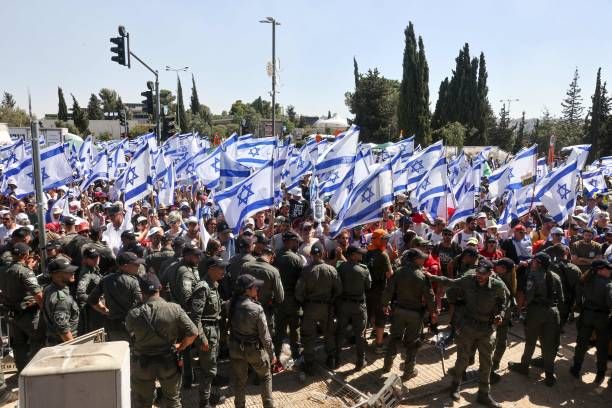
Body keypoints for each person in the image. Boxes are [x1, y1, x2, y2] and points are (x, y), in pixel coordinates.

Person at [427, 259, 507, 408]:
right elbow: (450, 282)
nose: (479, 276)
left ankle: (483, 394)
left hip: (487, 329)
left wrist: (500, 314)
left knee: (486, 363)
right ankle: (455, 385)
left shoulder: (498, 285)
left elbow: (504, 302)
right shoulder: (469, 280)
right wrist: (432, 277)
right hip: (468, 326)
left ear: (490, 273)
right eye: (478, 272)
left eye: (483, 274)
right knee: (462, 359)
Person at [126, 273, 198, 408]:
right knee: (173, 401)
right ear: (160, 287)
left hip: (143, 363)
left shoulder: (134, 313)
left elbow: (129, 333)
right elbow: (193, 332)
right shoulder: (174, 308)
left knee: (142, 402)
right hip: (168, 361)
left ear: (141, 291)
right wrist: (181, 346)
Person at [509, 252, 564, 386]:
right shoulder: (556, 276)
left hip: (536, 312)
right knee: (549, 344)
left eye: (533, 261)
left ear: (538, 263)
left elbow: (529, 296)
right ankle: (549, 374)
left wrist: (522, 310)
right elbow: (561, 298)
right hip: (553, 312)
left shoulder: (533, 276)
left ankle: (524, 366)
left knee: (531, 341)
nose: (531, 263)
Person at [382, 249, 436, 380]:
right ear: (415, 259)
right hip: (415, 314)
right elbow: (430, 296)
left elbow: (389, 289)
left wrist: (384, 304)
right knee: (413, 343)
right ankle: (408, 372)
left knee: (394, 339)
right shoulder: (422, 276)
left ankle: (387, 366)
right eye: (422, 258)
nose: (424, 260)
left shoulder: (399, 271)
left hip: (399, 311)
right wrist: (433, 312)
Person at [229, 274, 275, 408]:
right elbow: (265, 337)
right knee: (265, 376)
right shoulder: (257, 309)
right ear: (247, 290)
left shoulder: (230, 304)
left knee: (240, 381)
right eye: (255, 287)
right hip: (254, 350)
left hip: (236, 348)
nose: (257, 289)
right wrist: (272, 355)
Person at [295, 242, 342, 372]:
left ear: (311, 255)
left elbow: (298, 292)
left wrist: (304, 303)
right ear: (323, 254)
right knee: (329, 333)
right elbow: (339, 290)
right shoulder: (331, 270)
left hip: (310, 307)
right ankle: (331, 359)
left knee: (309, 335)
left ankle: (310, 364)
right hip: (327, 307)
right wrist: (331, 300)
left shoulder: (306, 271)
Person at [0, 243, 44, 371]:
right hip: (29, 315)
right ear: (25, 255)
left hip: (11, 315)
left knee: (19, 345)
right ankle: (36, 371)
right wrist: (46, 311)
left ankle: (22, 372)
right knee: (38, 341)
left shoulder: (3, 270)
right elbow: (38, 295)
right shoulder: (24, 272)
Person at [191, 257, 227, 407]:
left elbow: (215, 306)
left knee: (211, 365)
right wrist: (202, 339)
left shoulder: (214, 285)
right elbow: (195, 317)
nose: (224, 271)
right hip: (207, 332)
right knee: (208, 370)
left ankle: (209, 394)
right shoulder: (203, 287)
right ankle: (204, 402)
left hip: (213, 329)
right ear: (211, 269)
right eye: (221, 268)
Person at [570, 259, 611, 384]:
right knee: (602, 347)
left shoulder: (584, 281)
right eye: (607, 269)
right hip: (602, 318)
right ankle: (600, 374)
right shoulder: (608, 284)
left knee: (581, 344)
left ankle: (576, 368)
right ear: (599, 270)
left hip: (586, 315)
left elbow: (578, 299)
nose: (609, 271)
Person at [87, 251, 143, 341]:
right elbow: (141, 302)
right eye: (136, 264)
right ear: (125, 266)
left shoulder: (106, 279)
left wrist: (105, 311)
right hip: (132, 326)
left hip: (113, 326)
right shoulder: (133, 282)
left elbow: (92, 300)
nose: (139, 266)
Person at [335, 245, 371, 370]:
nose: (361, 255)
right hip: (358, 305)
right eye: (359, 253)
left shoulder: (341, 267)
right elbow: (368, 286)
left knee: (340, 332)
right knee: (359, 334)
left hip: (344, 305)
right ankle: (360, 361)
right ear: (352, 255)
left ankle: (337, 359)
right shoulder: (363, 269)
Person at [240, 245, 284, 340]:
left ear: (261, 253)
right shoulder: (273, 271)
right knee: (264, 340)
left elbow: (239, 287)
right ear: (272, 256)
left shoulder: (246, 266)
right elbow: (280, 297)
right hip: (264, 311)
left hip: (245, 310)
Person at [272, 230, 303, 360]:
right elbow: (301, 281)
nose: (296, 243)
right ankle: (296, 354)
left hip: (279, 299)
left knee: (279, 329)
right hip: (293, 299)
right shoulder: (296, 259)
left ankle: (276, 355)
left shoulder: (275, 257)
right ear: (290, 242)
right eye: (295, 241)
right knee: (295, 328)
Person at [364, 229, 393, 354]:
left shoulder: (367, 252)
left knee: (371, 315)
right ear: (378, 240)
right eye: (384, 239)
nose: (386, 241)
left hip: (368, 290)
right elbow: (389, 274)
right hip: (380, 291)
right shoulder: (383, 255)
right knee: (381, 317)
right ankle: (379, 345)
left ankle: (370, 336)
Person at [490, 258, 517, 383]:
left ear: (504, 269)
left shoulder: (499, 279)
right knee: (502, 339)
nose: (495, 267)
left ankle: (489, 367)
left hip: (498, 312)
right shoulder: (512, 278)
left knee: (491, 340)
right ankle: (496, 362)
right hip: (506, 313)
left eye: (498, 265)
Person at [42, 258, 80, 345]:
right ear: (56, 275)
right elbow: (63, 329)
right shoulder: (61, 299)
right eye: (68, 271)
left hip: (55, 341)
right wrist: (74, 347)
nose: (73, 273)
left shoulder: (49, 288)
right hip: (64, 343)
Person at [75, 247, 106, 333]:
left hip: (99, 309)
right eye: (92, 258)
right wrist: (94, 301)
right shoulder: (86, 274)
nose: (96, 259)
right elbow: (80, 293)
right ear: (85, 259)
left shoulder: (95, 269)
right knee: (98, 334)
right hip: (93, 311)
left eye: (97, 256)